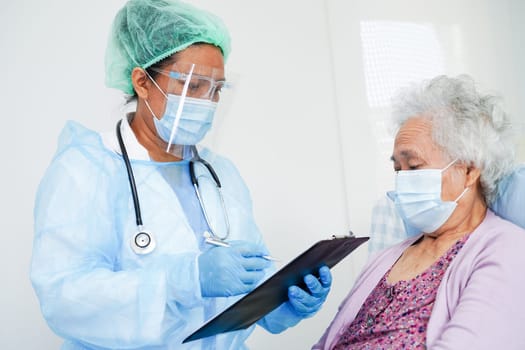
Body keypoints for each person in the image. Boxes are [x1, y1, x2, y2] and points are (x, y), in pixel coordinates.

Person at [30, 0, 332, 349]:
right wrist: (186, 279)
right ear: (142, 82)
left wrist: (287, 298)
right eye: (193, 86)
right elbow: (65, 298)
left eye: (216, 89)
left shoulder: (220, 174)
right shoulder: (85, 171)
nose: (207, 101)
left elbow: (248, 280)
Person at [313, 75, 525, 349]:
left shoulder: (506, 248)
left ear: (470, 170)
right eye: (397, 169)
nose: (402, 180)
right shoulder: (388, 256)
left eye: (413, 167)